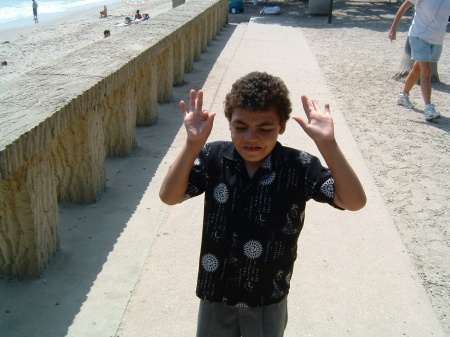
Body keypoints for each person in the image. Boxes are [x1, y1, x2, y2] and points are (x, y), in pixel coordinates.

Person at [159, 71, 366, 336]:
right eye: (240, 127)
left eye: (264, 129)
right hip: (216, 292)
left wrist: (328, 144)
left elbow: (354, 201)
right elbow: (169, 195)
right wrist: (192, 145)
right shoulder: (213, 156)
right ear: (229, 123)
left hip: (266, 297)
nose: (250, 138)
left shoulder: (299, 166)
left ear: (281, 126)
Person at [389, 0, 450, 121]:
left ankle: (403, 96)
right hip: (419, 36)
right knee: (426, 71)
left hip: (436, 40)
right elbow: (404, 7)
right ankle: (429, 108)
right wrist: (393, 29)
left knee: (418, 68)